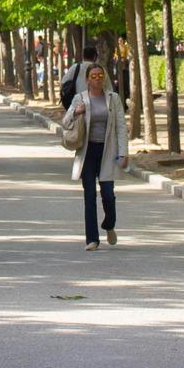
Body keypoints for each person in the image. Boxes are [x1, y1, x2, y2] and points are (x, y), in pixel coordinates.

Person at [61, 63, 129, 251]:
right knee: (89, 195)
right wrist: (77, 111)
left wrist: (123, 152)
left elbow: (121, 127)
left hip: (108, 151)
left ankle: (109, 225)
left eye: (100, 75)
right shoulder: (79, 99)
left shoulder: (113, 99)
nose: (97, 79)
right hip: (87, 152)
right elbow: (65, 123)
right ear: (87, 79)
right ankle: (92, 239)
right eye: (93, 76)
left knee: (108, 194)